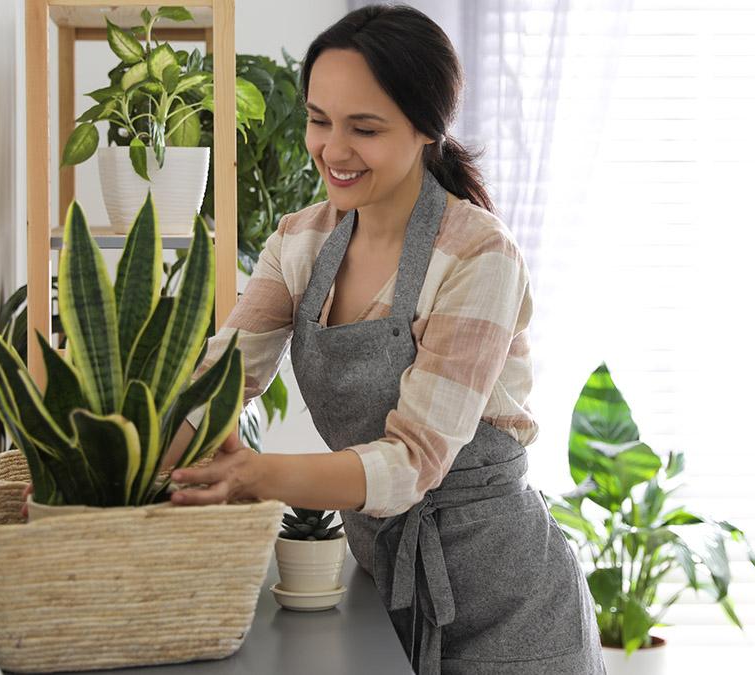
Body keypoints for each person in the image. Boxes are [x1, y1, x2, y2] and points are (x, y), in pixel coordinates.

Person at [162, 5, 606, 674]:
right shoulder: (299, 242)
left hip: (512, 611)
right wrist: (92, 491)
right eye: (319, 120)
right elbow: (217, 386)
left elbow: (412, 463)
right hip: (385, 589)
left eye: (364, 129)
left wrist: (256, 474)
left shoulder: (479, 256)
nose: (333, 150)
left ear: (427, 128)